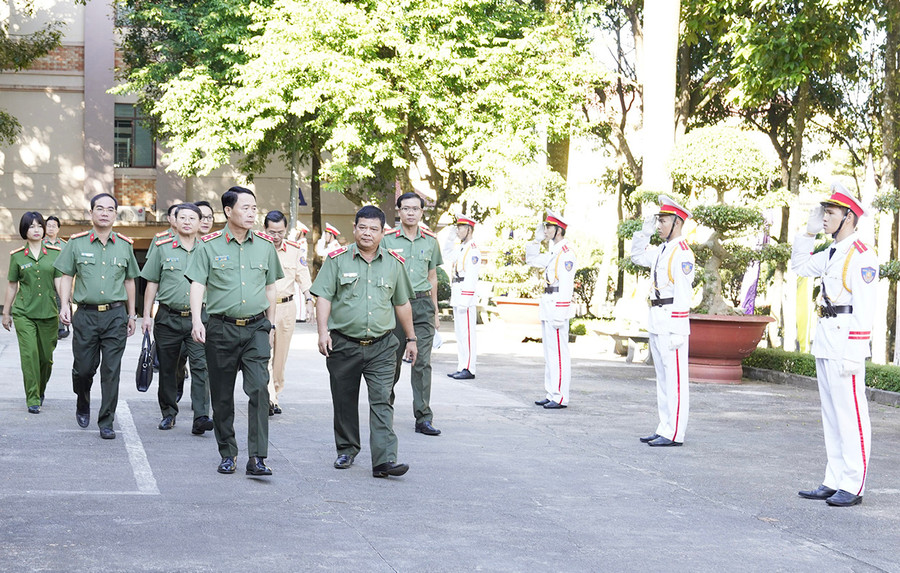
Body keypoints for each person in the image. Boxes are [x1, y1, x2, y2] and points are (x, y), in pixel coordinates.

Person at [311, 205, 418, 478]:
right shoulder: (336, 260)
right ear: (355, 229)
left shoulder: (394, 263)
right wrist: (323, 332)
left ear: (383, 233)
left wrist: (411, 338)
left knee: (382, 399)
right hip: (343, 344)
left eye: (374, 229)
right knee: (344, 399)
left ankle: (384, 460)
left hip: (382, 345)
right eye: (363, 227)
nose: (367, 233)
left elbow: (402, 303)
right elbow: (323, 296)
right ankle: (347, 449)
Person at [185, 186, 283, 476]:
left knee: (259, 391)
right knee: (222, 395)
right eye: (246, 207)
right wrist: (196, 321)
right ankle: (228, 452)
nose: (252, 212)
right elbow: (197, 284)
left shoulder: (265, 246)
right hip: (221, 328)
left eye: (255, 208)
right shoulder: (209, 246)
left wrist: (271, 323)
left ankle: (257, 458)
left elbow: (270, 287)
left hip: (256, 329)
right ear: (228, 211)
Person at [791, 184, 876, 507]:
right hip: (827, 338)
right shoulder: (831, 253)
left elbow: (864, 309)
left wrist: (856, 350)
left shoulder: (862, 255)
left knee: (851, 414)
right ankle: (834, 478)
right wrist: (808, 234)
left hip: (846, 343)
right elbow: (799, 267)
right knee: (831, 414)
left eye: (830, 213)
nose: (825, 218)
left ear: (849, 218)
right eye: (825, 213)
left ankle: (853, 484)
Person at [54, 193, 140, 439]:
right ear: (91, 213)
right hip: (86, 316)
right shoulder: (76, 243)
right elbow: (66, 275)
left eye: (110, 209)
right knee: (83, 370)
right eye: (99, 208)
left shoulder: (124, 245)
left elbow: (130, 281)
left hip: (115, 316)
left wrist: (132, 315)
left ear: (115, 214)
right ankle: (82, 399)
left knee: (111, 371)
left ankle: (106, 420)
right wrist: (64, 305)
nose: (104, 213)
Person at [141, 203, 213, 435]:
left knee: (201, 366)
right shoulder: (162, 247)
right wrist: (146, 315)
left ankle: (201, 415)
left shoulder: (209, 249)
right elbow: (151, 282)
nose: (187, 222)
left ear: (200, 222)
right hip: (168, 318)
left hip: (199, 317)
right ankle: (169, 413)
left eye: (192, 218)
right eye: (182, 217)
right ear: (175, 220)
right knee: (169, 369)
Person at [630, 196, 695, 446]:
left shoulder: (683, 254)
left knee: (675, 379)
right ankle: (664, 426)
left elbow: (683, 294)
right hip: (657, 318)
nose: (659, 225)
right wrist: (643, 233)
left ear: (677, 222)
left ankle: (674, 432)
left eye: (663, 220)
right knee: (663, 379)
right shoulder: (661, 250)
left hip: (672, 321)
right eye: (658, 220)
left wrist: (679, 329)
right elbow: (637, 256)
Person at [382, 192, 443, 436]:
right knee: (391, 361)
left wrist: (436, 312)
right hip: (395, 305)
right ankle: (385, 412)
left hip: (422, 306)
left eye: (415, 209)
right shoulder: (386, 240)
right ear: (398, 211)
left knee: (423, 363)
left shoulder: (430, 240)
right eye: (405, 208)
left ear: (421, 212)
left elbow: (432, 277)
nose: (410, 213)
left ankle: (423, 417)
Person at [3, 212, 63, 413]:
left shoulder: (55, 253)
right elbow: (12, 286)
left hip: (48, 312)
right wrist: (6, 312)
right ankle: (32, 398)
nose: (36, 230)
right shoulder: (18, 256)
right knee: (29, 355)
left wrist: (65, 306)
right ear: (24, 231)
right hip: (24, 313)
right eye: (31, 226)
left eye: (39, 225)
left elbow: (59, 282)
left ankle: (40, 389)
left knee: (46, 358)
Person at [526, 210, 577, 410]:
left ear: (558, 230)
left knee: (559, 353)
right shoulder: (553, 252)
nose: (545, 230)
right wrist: (536, 240)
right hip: (548, 304)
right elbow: (531, 259)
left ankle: (560, 395)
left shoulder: (566, 254)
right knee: (549, 353)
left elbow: (566, 286)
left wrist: (560, 313)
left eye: (549, 227)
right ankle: (551, 392)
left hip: (557, 306)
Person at [263, 210, 307, 415]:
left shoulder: (295, 250)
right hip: (263, 308)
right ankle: (269, 397)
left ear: (286, 230)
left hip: (287, 308)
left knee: (280, 357)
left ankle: (276, 394)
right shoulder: (259, 247)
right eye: (272, 231)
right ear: (265, 229)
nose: (275, 236)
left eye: (280, 231)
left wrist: (309, 299)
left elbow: (303, 276)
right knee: (265, 353)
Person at [442, 214, 481, 380]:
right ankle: (462, 365)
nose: (458, 230)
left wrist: (465, 299)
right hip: (458, 294)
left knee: (468, 334)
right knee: (460, 333)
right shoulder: (461, 248)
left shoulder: (473, 251)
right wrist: (450, 238)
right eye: (457, 227)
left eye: (461, 228)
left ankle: (469, 368)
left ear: (469, 230)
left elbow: (471, 277)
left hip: (466, 296)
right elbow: (447, 254)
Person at [43, 215, 69, 339]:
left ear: (58, 229)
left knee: (60, 301)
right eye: (49, 226)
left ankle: (60, 328)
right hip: (45, 278)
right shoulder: (40, 244)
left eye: (54, 226)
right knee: (46, 302)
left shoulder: (65, 245)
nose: (51, 228)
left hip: (61, 278)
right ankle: (47, 328)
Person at [291, 221, 314, 322]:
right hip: (295, 269)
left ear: (301, 232)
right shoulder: (299, 243)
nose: (296, 233)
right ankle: (298, 315)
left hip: (299, 269)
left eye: (297, 231)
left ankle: (301, 316)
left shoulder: (302, 243)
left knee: (300, 294)